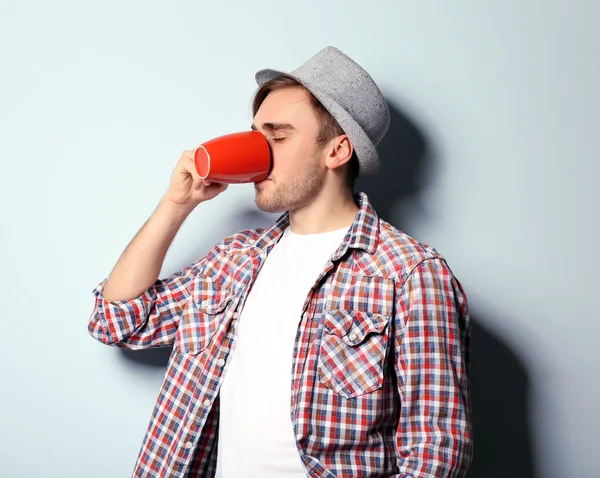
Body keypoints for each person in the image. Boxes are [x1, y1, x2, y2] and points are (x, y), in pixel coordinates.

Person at [88, 46, 472, 477]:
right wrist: (176, 205)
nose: (259, 151)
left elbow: (436, 450)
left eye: (278, 135)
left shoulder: (411, 274)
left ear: (338, 151)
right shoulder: (233, 259)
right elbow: (117, 321)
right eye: (255, 134)